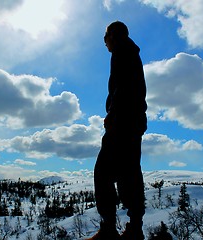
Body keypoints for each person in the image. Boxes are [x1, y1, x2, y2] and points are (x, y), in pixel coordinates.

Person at [87, 21, 147, 240]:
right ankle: (134, 228)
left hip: (123, 121)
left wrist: (113, 113)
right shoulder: (130, 52)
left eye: (106, 37)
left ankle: (110, 229)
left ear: (113, 35)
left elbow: (124, 85)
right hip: (132, 121)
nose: (105, 43)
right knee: (127, 172)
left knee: (103, 173)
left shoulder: (123, 52)